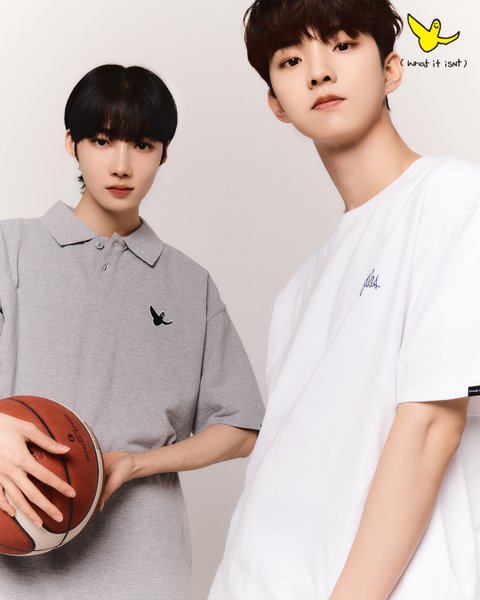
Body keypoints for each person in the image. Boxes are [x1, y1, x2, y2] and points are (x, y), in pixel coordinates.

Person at [209, 1, 480, 598]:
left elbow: (432, 425)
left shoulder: (455, 201)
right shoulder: (298, 293)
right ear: (277, 104)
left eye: (342, 44)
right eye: (291, 60)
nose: (319, 71)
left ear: (391, 69)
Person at [0, 64, 264, 600]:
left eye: (142, 145)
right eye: (102, 141)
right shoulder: (11, 249)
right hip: (14, 556)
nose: (122, 165)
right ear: (72, 143)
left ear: (163, 154)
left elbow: (242, 427)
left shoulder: (190, 284)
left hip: (144, 568)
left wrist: (136, 464)